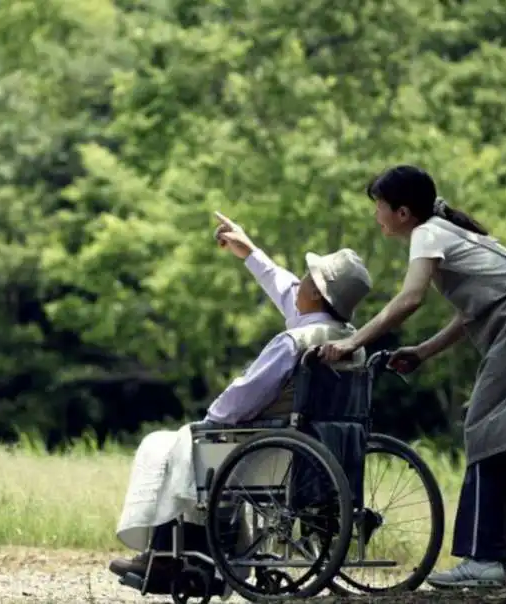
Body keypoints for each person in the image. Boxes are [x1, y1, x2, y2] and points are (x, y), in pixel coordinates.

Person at [320, 165, 506, 589]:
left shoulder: (427, 234)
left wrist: (352, 343)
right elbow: (470, 313)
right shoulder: (444, 231)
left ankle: (485, 560)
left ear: (402, 212)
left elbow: (409, 299)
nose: (376, 215)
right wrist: (422, 352)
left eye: (378, 207)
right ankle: (496, 560)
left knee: (486, 429)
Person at [108, 211, 372, 584]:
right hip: (320, 445)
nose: (297, 282)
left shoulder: (293, 342)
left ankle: (170, 555)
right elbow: (285, 289)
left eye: (305, 279)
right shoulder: (347, 340)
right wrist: (249, 251)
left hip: (272, 447)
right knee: (195, 447)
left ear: (315, 291)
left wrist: (212, 418)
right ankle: (189, 553)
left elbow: (245, 394)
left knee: (173, 445)